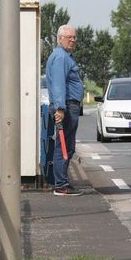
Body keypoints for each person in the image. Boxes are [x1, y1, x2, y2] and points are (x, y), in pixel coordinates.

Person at [46, 24, 84, 196]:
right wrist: (60, 109)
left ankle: (62, 182)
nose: (73, 40)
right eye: (69, 37)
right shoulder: (61, 58)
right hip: (67, 106)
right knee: (64, 146)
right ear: (60, 38)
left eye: (74, 37)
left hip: (68, 105)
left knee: (66, 146)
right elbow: (59, 85)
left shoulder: (63, 56)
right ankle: (61, 185)